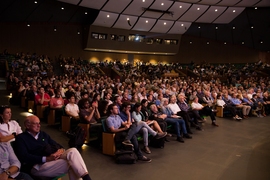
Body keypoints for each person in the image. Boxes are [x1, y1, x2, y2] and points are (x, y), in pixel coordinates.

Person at [14, 115, 92, 180]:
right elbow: (24, 157)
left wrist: (59, 151)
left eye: (39, 123)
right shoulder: (21, 138)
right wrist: (46, 158)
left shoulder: (43, 134)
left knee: (73, 151)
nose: (39, 126)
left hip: (52, 160)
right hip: (37, 166)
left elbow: (58, 145)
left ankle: (87, 178)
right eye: (36, 124)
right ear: (27, 125)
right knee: (73, 163)